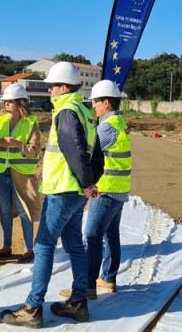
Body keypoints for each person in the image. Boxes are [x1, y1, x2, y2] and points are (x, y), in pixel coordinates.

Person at [0, 62, 103, 328]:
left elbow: (75, 151)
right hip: (77, 192)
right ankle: (79, 303)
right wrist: (90, 184)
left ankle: (33, 307)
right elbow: (98, 154)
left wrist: (86, 183)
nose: (49, 89)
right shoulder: (85, 112)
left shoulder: (67, 112)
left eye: (53, 85)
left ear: (65, 87)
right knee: (74, 245)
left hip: (62, 190)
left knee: (44, 245)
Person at [60, 79, 130, 300]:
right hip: (118, 190)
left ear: (106, 102)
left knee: (92, 236)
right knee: (111, 236)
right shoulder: (118, 122)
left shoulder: (107, 126)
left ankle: (87, 286)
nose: (94, 107)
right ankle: (107, 279)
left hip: (105, 190)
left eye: (96, 102)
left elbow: (90, 150)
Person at [0, 83, 43, 263]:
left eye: (10, 101)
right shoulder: (0, 121)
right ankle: (6, 246)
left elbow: (35, 150)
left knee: (25, 211)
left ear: (20, 103)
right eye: (5, 101)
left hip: (22, 175)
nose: (6, 104)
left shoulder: (31, 123)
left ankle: (28, 248)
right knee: (5, 211)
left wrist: (18, 145)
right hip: (1, 172)